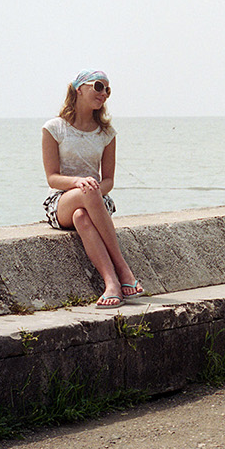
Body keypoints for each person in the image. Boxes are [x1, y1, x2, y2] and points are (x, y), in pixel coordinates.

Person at [42, 70, 143, 309]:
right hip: (62, 200)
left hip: (96, 197)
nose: (104, 94)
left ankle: (112, 285)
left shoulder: (106, 133)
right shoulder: (54, 128)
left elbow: (108, 180)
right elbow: (52, 178)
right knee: (82, 198)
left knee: (82, 216)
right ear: (79, 88)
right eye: (99, 86)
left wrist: (94, 187)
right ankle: (123, 269)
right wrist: (78, 182)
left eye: (107, 90)